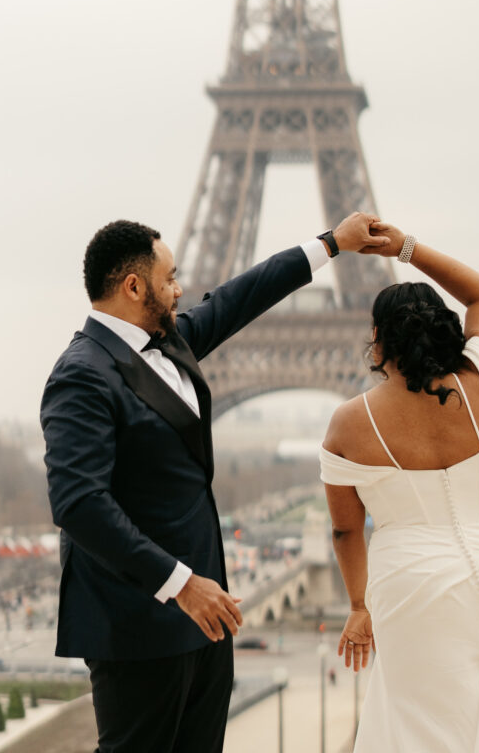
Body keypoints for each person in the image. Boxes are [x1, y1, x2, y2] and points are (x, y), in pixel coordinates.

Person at [41, 211, 388, 753]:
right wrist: (180, 583)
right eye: (170, 278)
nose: (180, 290)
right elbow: (78, 503)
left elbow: (238, 296)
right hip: (140, 625)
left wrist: (330, 246)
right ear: (134, 287)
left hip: (205, 621)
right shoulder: (83, 373)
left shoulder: (170, 341)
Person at [320, 223, 479, 752]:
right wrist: (406, 247)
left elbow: (345, 531)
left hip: (413, 587)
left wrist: (359, 606)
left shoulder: (349, 424)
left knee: (422, 731)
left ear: (379, 341)